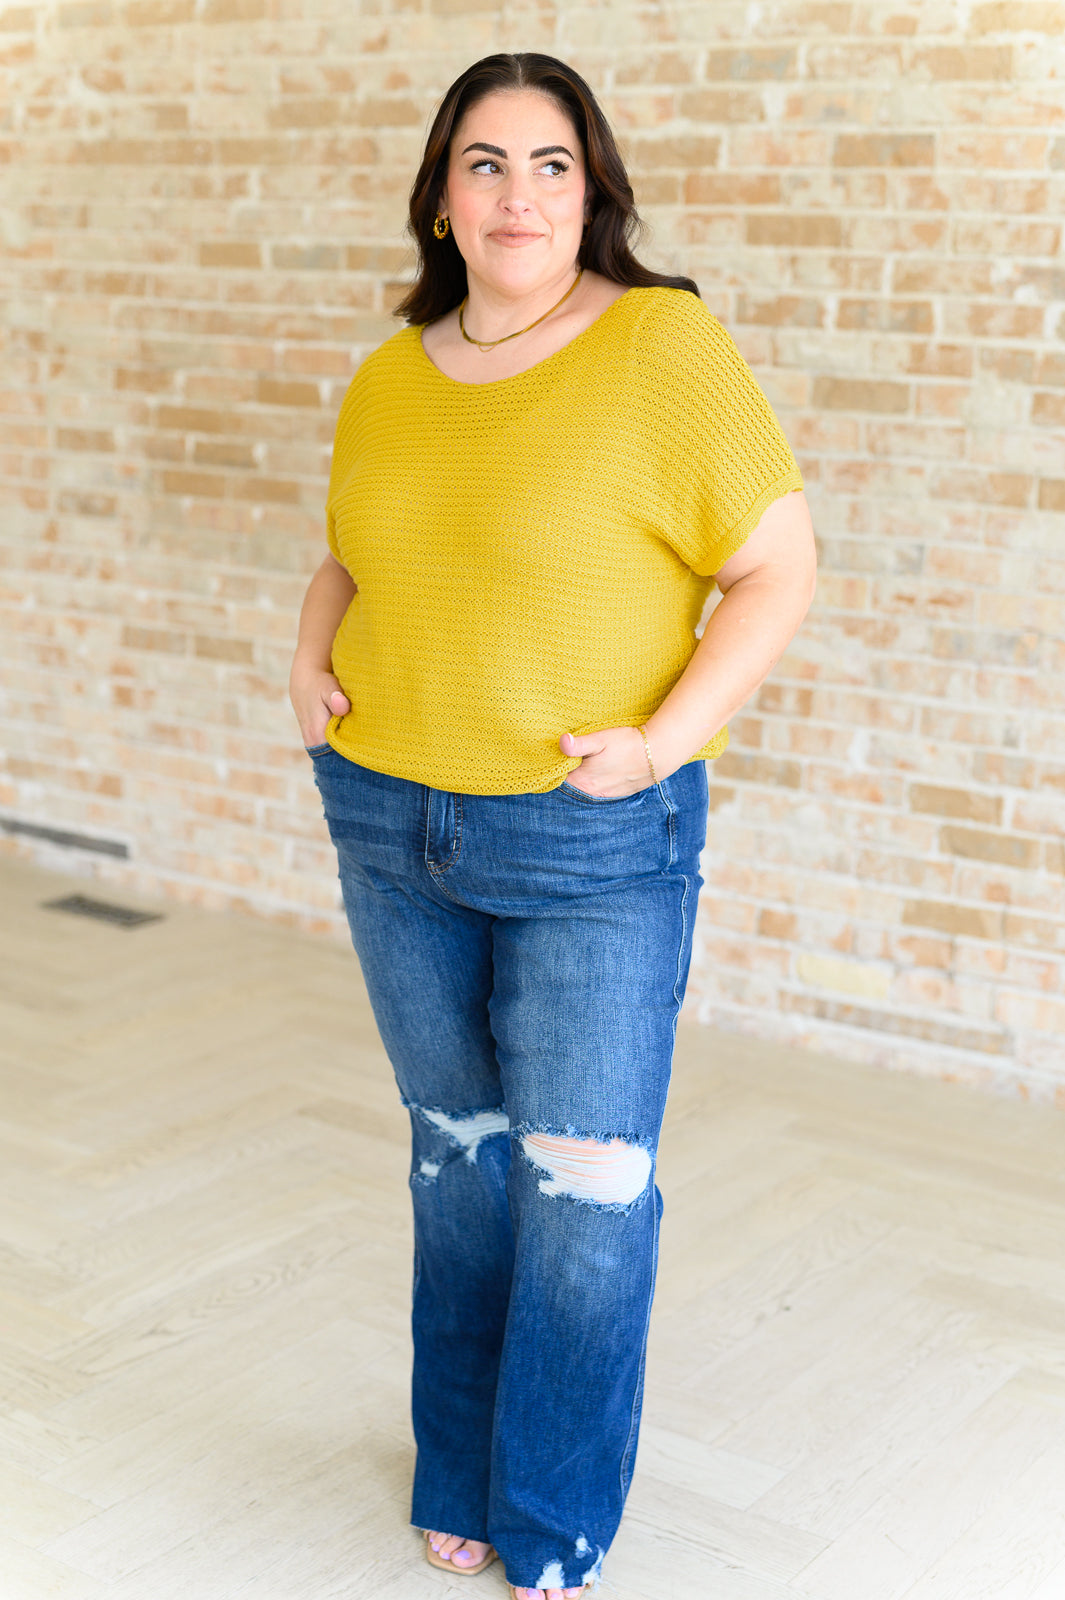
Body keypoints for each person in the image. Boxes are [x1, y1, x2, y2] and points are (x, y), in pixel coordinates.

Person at [289, 51, 816, 1600]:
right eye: (483, 163)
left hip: (589, 844)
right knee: (457, 1161)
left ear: (593, 195)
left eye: (550, 165)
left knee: (582, 1186)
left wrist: (660, 741)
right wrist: (306, 652)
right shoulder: (392, 369)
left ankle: (553, 1509)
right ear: (440, 199)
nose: (517, 193)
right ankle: (455, 1468)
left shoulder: (660, 347)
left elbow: (775, 570)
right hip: (390, 816)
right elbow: (355, 552)